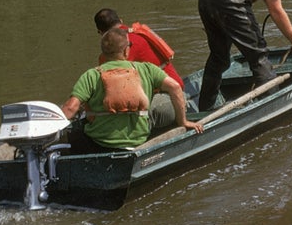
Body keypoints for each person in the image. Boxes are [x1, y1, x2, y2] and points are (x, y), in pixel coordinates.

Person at [62, 27, 195, 153]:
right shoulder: (147, 69)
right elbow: (176, 87)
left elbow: (70, 108)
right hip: (138, 139)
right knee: (179, 97)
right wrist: (183, 121)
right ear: (126, 50)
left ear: (103, 53)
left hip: (100, 141)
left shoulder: (91, 75)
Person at [93, 7, 182, 87]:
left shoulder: (116, 48)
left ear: (101, 32)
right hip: (174, 82)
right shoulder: (138, 33)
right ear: (121, 21)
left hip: (165, 90)